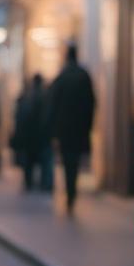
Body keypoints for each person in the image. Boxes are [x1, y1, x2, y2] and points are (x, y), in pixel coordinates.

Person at [46, 43, 96, 213]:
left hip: (64, 130)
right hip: (80, 128)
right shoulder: (84, 76)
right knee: (74, 162)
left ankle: (70, 193)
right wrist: (89, 126)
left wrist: (53, 131)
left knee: (68, 162)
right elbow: (91, 103)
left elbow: (53, 105)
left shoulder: (62, 77)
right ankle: (72, 193)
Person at [12, 73, 48, 190]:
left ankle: (28, 182)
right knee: (42, 160)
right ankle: (42, 183)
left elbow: (20, 116)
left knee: (29, 161)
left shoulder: (26, 96)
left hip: (28, 134)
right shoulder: (44, 96)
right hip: (40, 135)